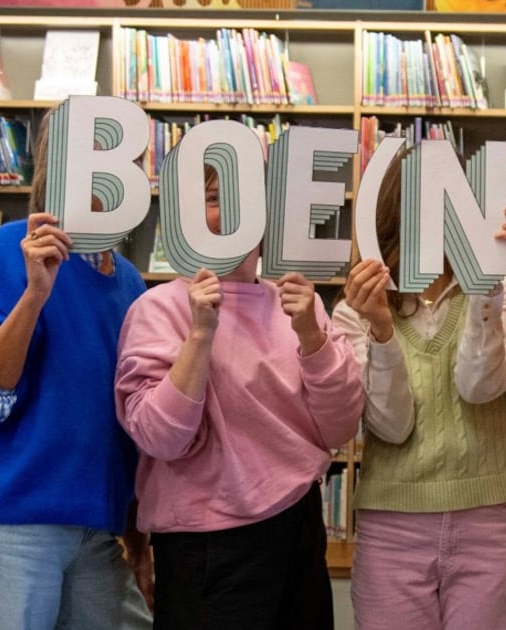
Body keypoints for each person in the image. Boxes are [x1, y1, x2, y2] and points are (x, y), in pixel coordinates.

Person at [114, 167, 364, 630]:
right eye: (214, 198)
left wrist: (312, 336)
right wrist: (200, 335)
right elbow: (159, 438)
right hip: (205, 545)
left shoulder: (300, 306)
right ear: (188, 217)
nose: (231, 213)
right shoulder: (158, 309)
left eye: (246, 199)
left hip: (298, 527)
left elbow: (340, 426)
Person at [0, 112, 152, 629]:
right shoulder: (12, 248)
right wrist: (34, 295)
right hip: (6, 524)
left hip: (95, 528)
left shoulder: (128, 282)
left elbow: (128, 422)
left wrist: (137, 537)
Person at [333, 148, 506, 630]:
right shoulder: (356, 309)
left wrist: (484, 285)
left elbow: (480, 386)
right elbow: (391, 425)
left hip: (491, 521)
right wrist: (381, 329)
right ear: (397, 213)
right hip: (393, 524)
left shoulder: (504, 288)